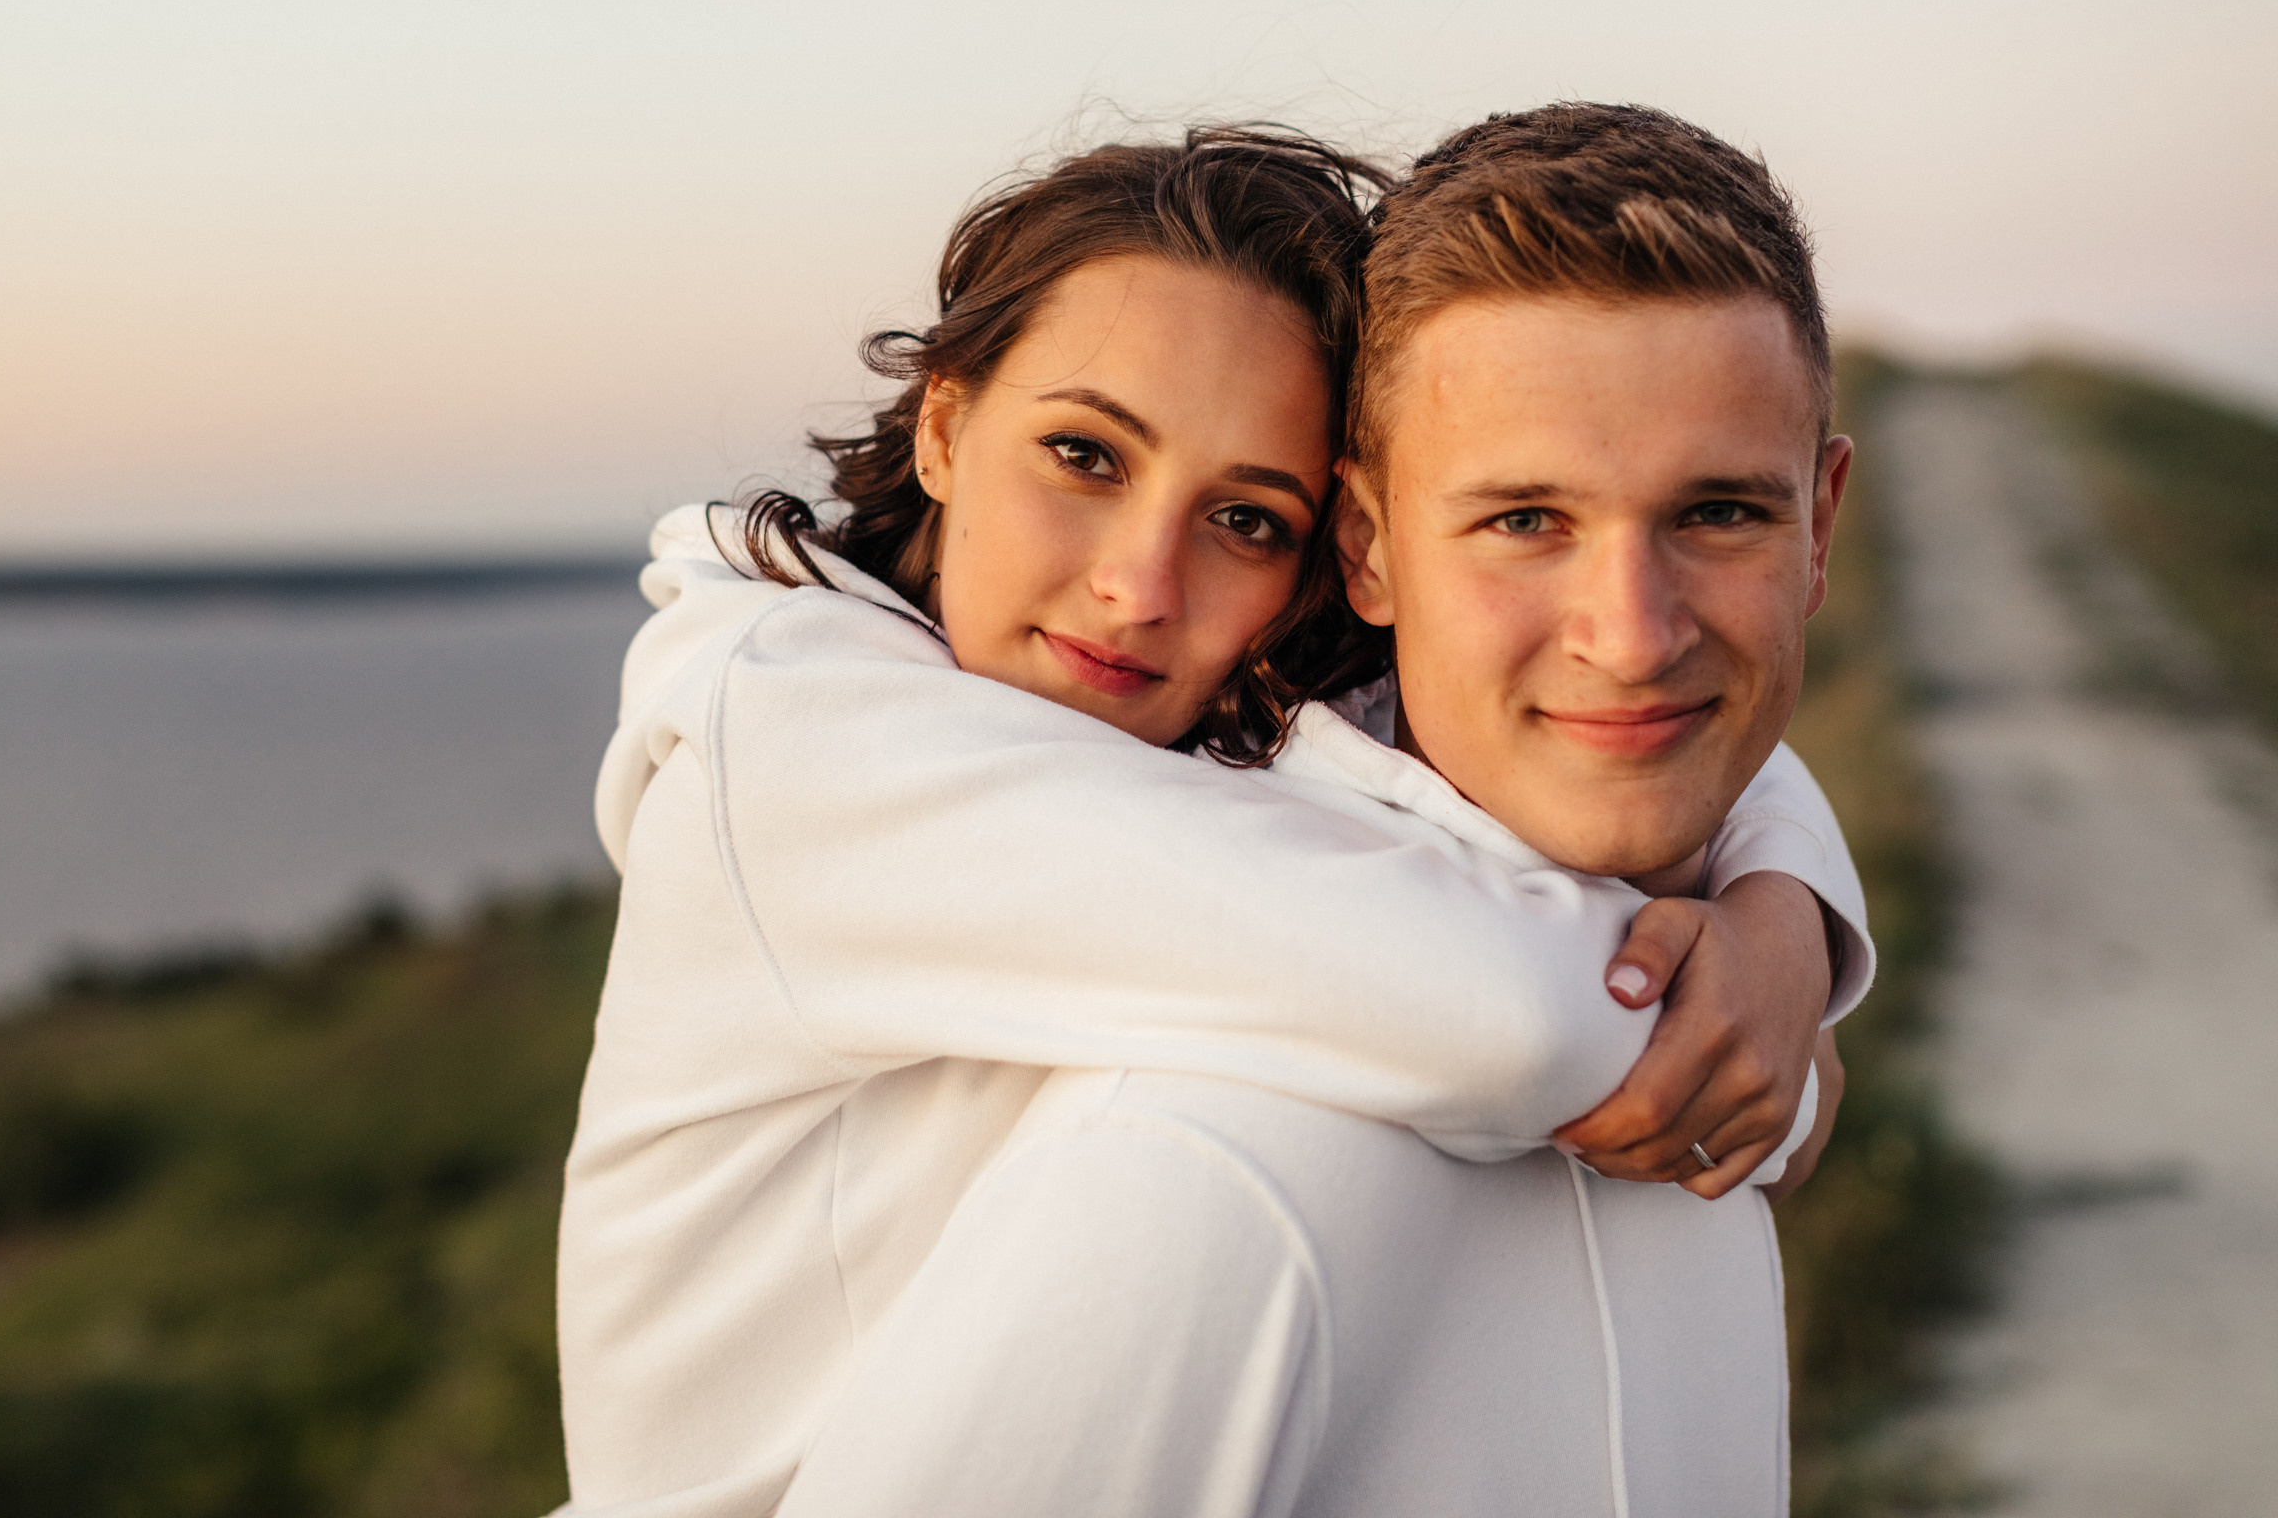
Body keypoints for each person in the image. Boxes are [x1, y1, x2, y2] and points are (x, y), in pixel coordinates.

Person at [555, 125, 1866, 1517]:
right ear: (943, 425)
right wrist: (1765, 1048)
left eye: (1247, 520)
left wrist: (1782, 904)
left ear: (1337, 553)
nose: (1138, 585)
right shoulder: (811, 741)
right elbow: (1510, 1008)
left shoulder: (1170, 750)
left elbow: (1609, 719)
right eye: (1084, 454)